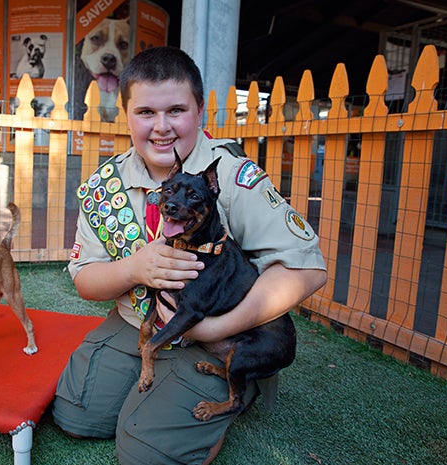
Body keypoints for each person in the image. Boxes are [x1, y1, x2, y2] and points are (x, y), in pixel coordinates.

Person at [53, 46, 327, 465]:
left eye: (176, 110)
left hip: (225, 332)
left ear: (199, 111)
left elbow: (305, 270)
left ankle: (236, 389)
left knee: (147, 455)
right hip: (139, 322)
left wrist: (215, 328)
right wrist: (134, 267)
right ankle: (159, 387)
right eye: (145, 112)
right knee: (76, 414)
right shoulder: (104, 184)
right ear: (125, 114)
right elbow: (84, 277)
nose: (161, 127)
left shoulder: (233, 176)